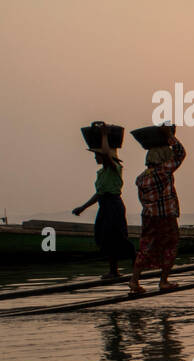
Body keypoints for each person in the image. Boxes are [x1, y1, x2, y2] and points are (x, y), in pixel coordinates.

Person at [129, 126, 186, 294]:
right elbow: (180, 154)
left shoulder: (141, 178)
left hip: (148, 216)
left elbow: (142, 199)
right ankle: (163, 281)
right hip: (165, 216)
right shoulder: (163, 171)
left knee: (145, 247)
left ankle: (134, 281)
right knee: (170, 245)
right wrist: (169, 135)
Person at [73, 139, 135, 279]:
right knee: (105, 237)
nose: (95, 157)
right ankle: (114, 271)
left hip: (114, 205)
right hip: (105, 205)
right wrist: (82, 208)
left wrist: (104, 135)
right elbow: (99, 194)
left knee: (118, 237)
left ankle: (136, 262)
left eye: (97, 155)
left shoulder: (114, 168)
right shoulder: (102, 173)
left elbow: (107, 154)